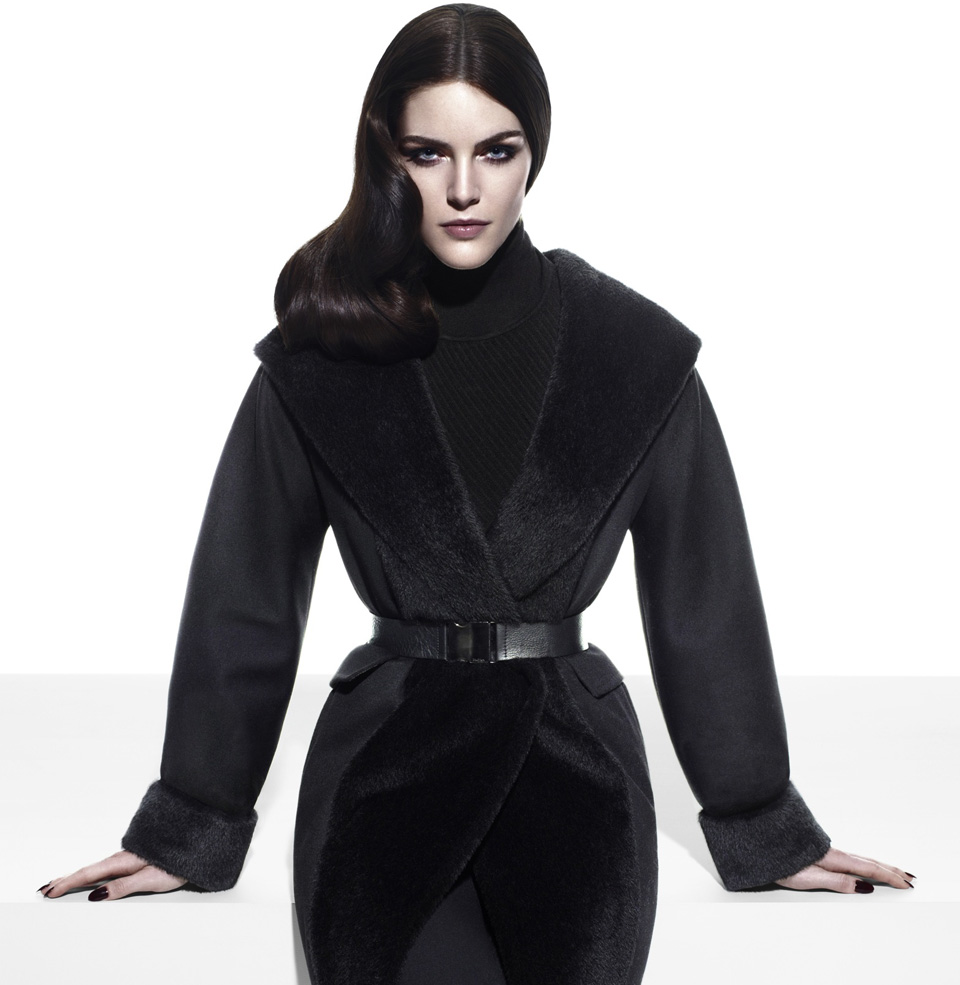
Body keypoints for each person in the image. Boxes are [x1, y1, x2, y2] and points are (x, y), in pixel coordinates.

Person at [38, 4, 912, 982]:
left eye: (496, 151)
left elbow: (703, 602)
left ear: (535, 152)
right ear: (387, 156)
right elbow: (245, 601)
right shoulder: (319, 356)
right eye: (428, 153)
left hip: (579, 778)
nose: (464, 188)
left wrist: (762, 821)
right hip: (381, 773)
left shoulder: (637, 353)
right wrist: (192, 821)